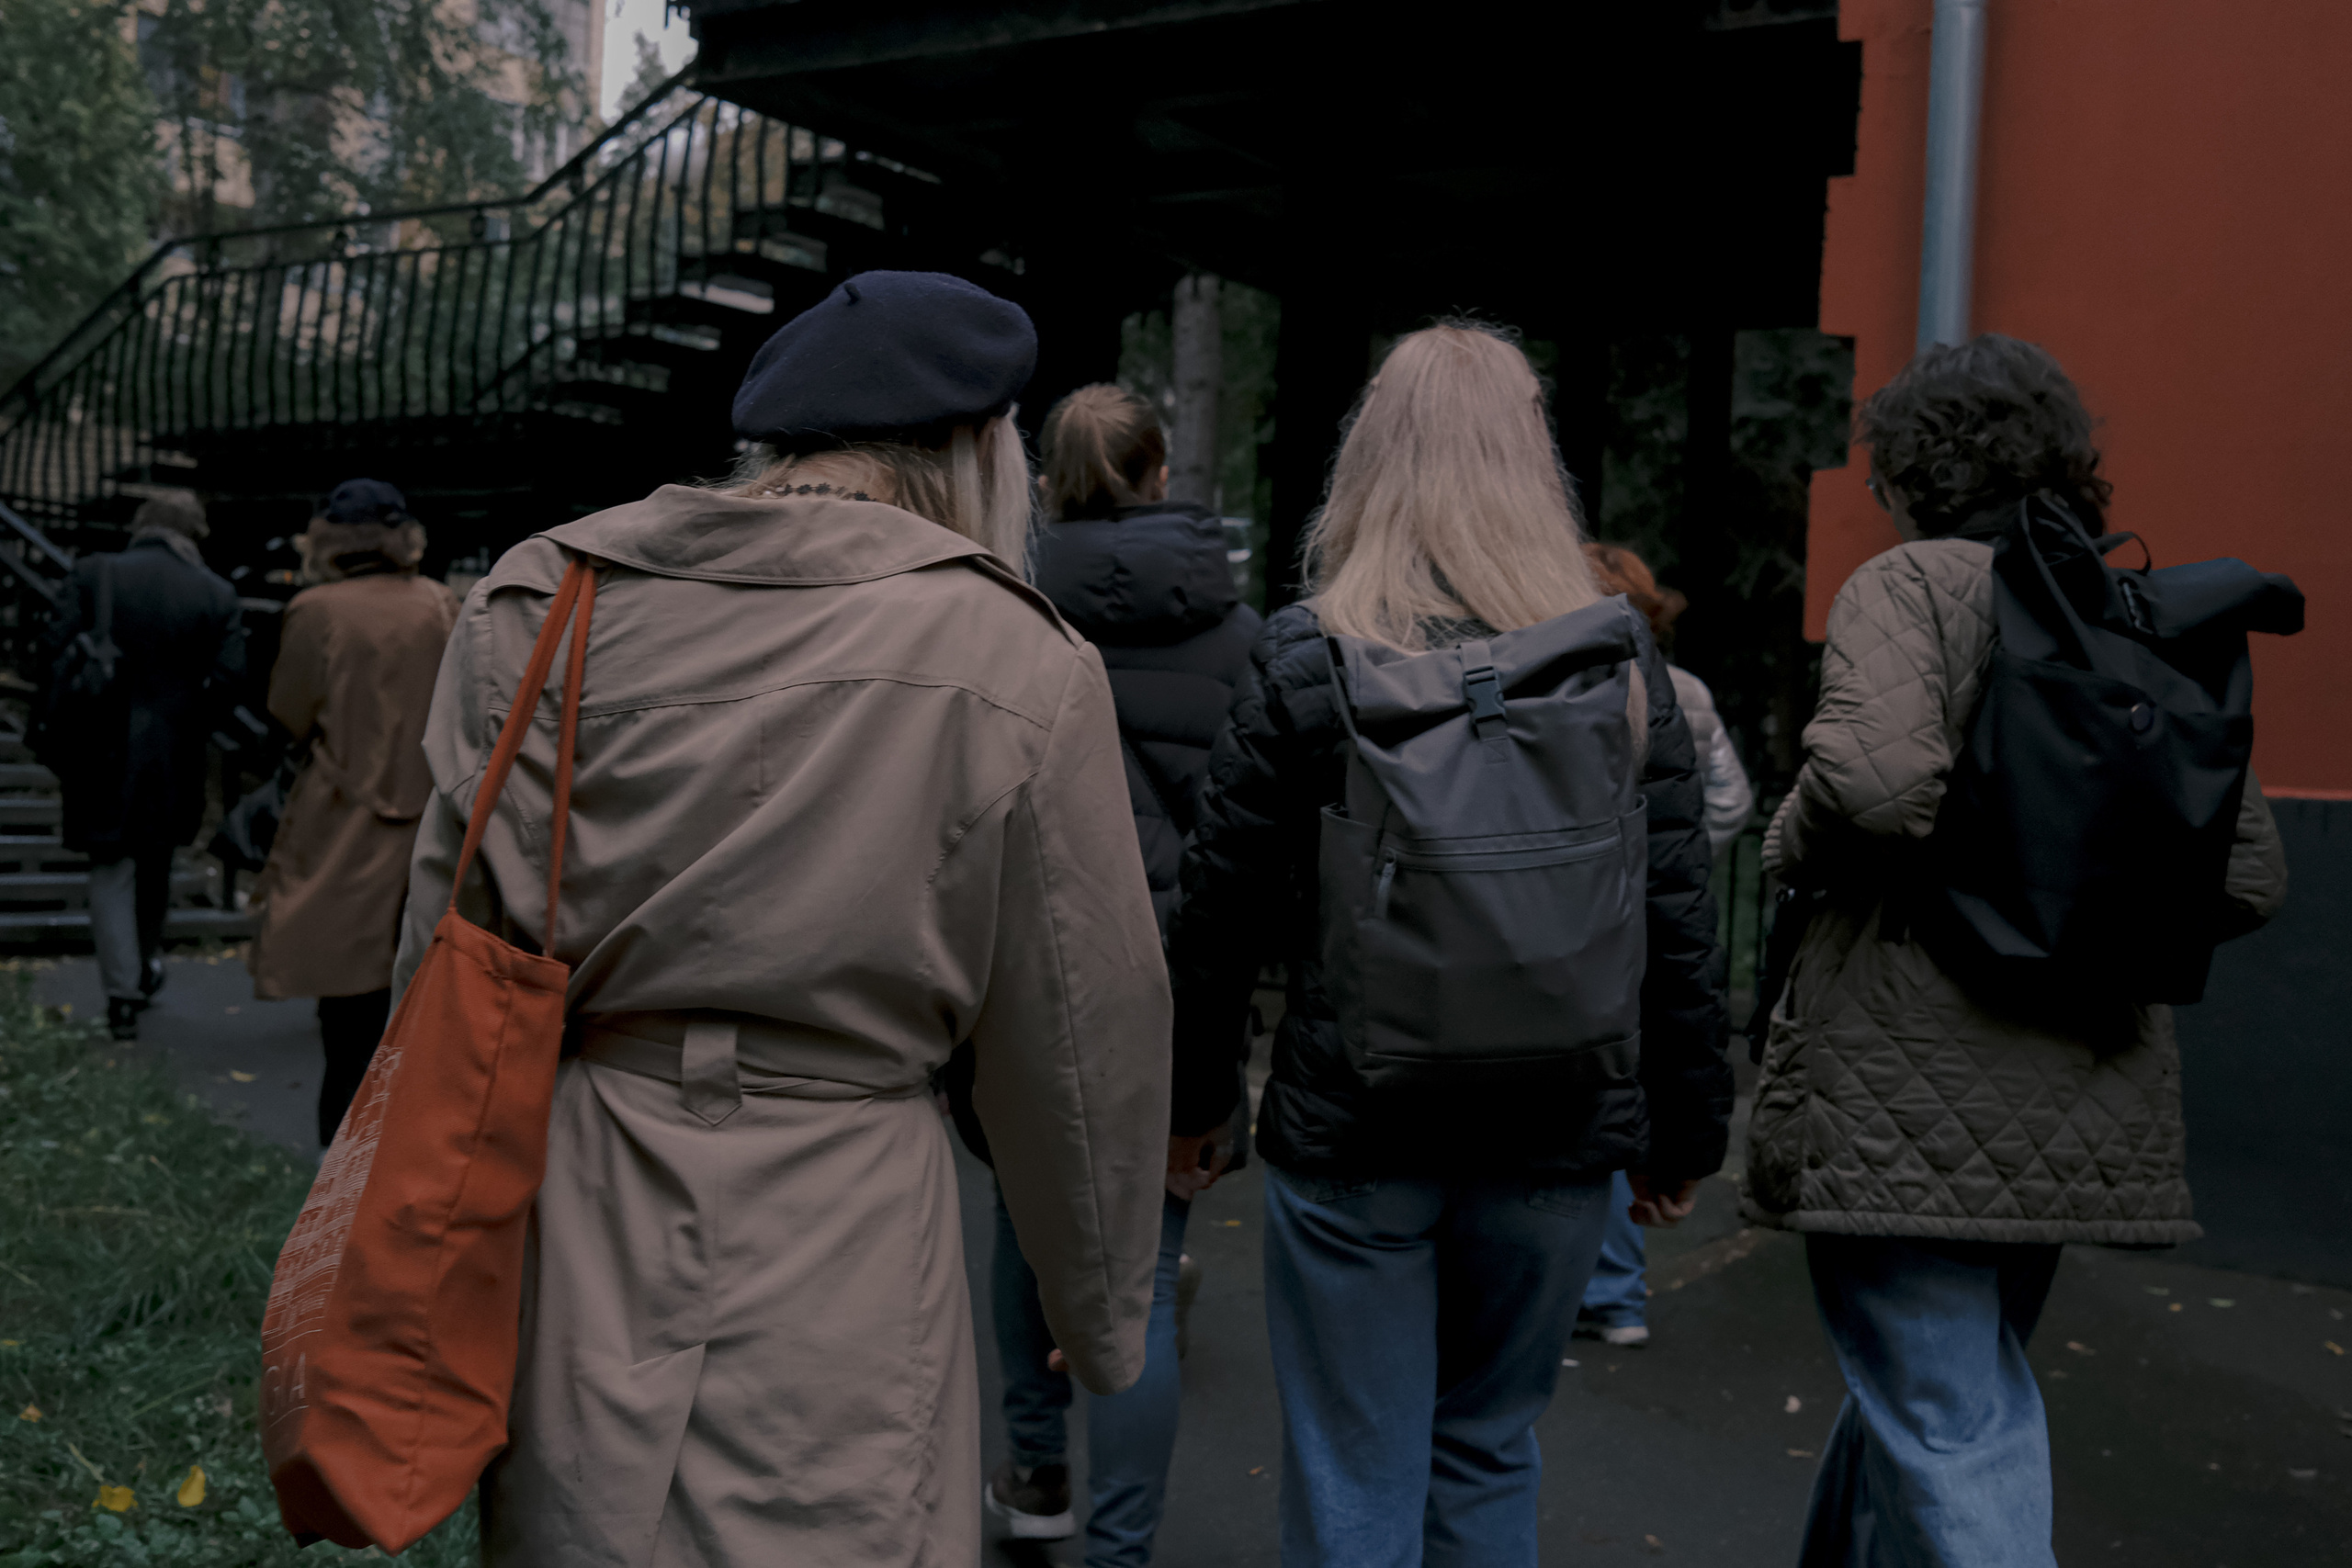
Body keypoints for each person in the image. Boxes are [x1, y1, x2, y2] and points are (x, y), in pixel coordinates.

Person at [390, 271, 1171, 1566]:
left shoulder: (546, 600)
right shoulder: (1013, 653)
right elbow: (1086, 1032)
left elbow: (442, 953)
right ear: (982, 446)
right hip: (848, 1222)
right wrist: (1097, 1307)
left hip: (582, 1201)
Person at [1162, 321, 1732, 1567]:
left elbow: (1217, 912)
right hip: (1558, 1130)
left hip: (1357, 1126)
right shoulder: (1617, 659)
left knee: (1354, 1463)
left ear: (1370, 455)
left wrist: (1193, 1106)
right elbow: (1675, 910)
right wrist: (1682, 1130)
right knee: (1487, 1447)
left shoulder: (1312, 651)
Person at [1748, 334, 2288, 1567]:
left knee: (1949, 1426)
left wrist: (1788, 837)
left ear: (1911, 473)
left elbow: (1875, 786)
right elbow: (2250, 875)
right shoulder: (2138, 607)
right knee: (1931, 1407)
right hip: (2080, 1085)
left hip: (1908, 1080)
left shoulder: (1911, 587)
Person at [971, 384, 1261, 1562]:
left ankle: (1035, 1470)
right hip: (1178, 981)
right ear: (1159, 473)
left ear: (1046, 482)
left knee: (1021, 1224)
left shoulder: (1003, 613)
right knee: (1150, 1264)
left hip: (1035, 972)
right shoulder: (1241, 637)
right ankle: (1121, 1546)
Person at [1575, 540, 1754, 1348]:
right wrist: (1674, 859)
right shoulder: (1687, 690)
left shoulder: (1562, 678)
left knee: (1589, 1077)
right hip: (1657, 911)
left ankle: (1584, 1284)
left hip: (1582, 912)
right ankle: (1619, 1294)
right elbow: (1732, 798)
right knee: (1637, 1076)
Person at [246, 479, 458, 1145]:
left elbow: (289, 709)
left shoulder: (316, 610)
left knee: (345, 1012)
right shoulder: (440, 604)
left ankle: (337, 1169)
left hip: (344, 814)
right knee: (422, 996)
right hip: (434, 816)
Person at [37, 491, 243, 1042]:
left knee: (110, 865)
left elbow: (53, 647)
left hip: (99, 745)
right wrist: (191, 718)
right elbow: (229, 679)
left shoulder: (94, 574)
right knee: (157, 860)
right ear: (194, 532)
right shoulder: (216, 593)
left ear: (140, 525)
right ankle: (147, 963)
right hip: (175, 751)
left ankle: (120, 992)